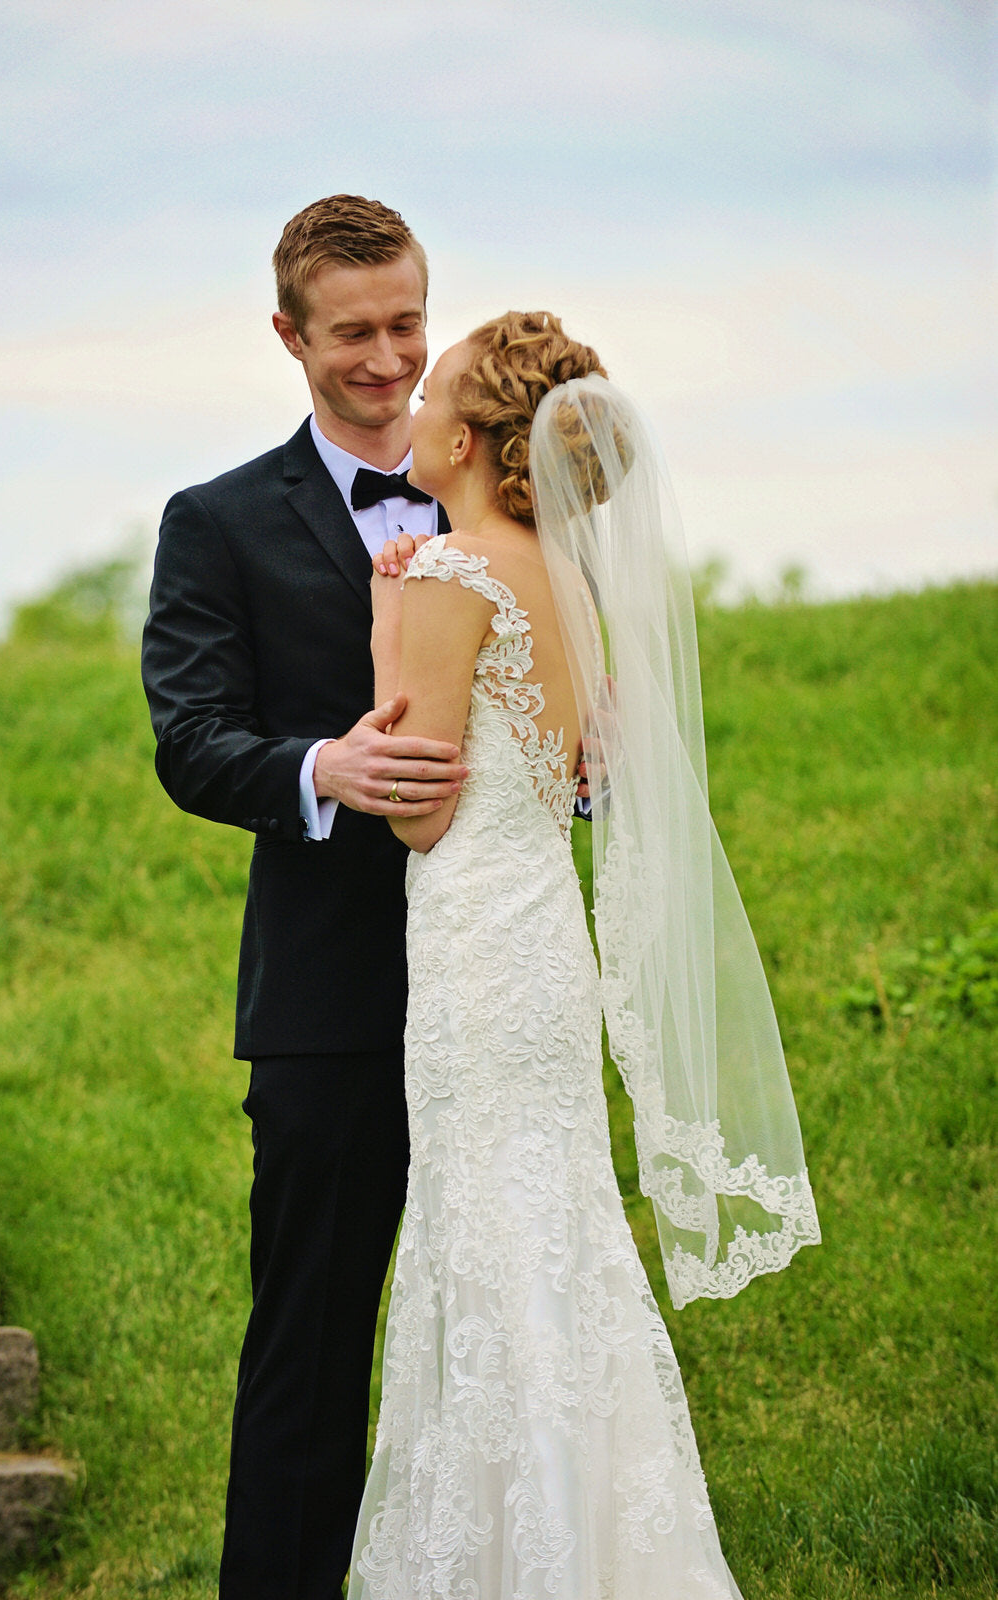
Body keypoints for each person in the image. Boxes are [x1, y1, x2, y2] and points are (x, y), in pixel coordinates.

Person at [353, 312, 820, 1595]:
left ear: (464, 437)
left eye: (435, 381)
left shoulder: (450, 575)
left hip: (477, 952)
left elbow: (422, 802)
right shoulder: (572, 582)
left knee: (488, 1243)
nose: (416, 391)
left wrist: (389, 621)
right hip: (539, 947)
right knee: (547, 1236)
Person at [140, 195, 470, 1600]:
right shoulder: (214, 523)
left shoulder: (502, 504)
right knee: (314, 1350)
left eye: (407, 322)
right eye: (354, 333)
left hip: (497, 992)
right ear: (290, 336)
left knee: (508, 1332)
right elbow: (190, 739)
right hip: (330, 1009)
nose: (390, 358)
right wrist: (323, 765)